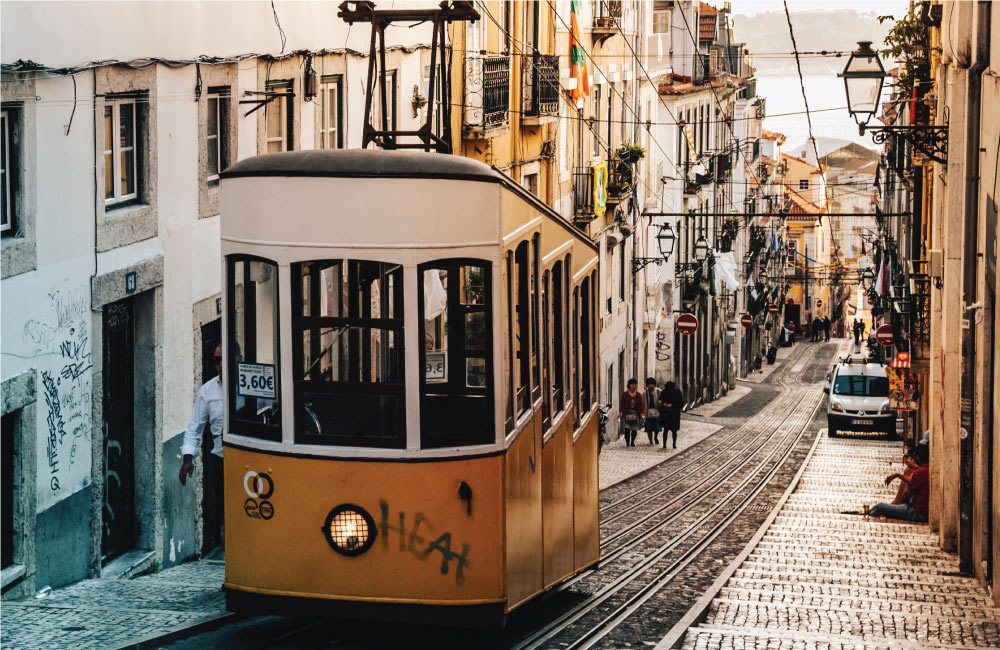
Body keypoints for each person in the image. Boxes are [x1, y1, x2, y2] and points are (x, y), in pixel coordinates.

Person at [179, 345, 224, 487]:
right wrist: (187, 458)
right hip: (220, 460)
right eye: (217, 360)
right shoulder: (207, 390)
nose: (221, 364)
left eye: (225, 358)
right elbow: (194, 427)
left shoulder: (252, 385)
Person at [870, 444, 929, 522]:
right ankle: (868, 512)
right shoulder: (928, 469)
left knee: (880, 507)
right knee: (881, 508)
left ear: (917, 458)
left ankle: (867, 513)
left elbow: (905, 496)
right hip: (919, 511)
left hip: (916, 513)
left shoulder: (918, 473)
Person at [658, 381, 686, 449]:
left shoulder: (677, 393)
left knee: (674, 431)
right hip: (666, 414)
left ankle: (674, 444)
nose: (669, 391)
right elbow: (660, 400)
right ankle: (664, 445)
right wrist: (662, 403)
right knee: (665, 430)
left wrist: (672, 405)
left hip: (674, 415)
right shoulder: (664, 392)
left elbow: (681, 404)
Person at [619, 378, 644, 447]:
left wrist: (641, 414)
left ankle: (632, 441)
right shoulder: (625, 394)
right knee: (627, 428)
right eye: (632, 384)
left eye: (635, 385)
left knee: (634, 429)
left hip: (635, 413)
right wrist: (620, 412)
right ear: (629, 385)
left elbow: (640, 405)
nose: (634, 386)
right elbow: (622, 404)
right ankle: (627, 442)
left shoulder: (638, 394)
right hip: (627, 413)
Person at [643, 378, 661, 445]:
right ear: (647, 385)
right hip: (648, 413)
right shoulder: (644, 393)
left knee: (657, 428)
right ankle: (650, 441)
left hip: (656, 412)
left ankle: (655, 437)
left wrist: (660, 402)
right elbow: (642, 403)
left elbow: (663, 399)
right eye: (649, 384)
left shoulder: (658, 392)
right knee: (649, 428)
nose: (651, 386)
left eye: (652, 384)